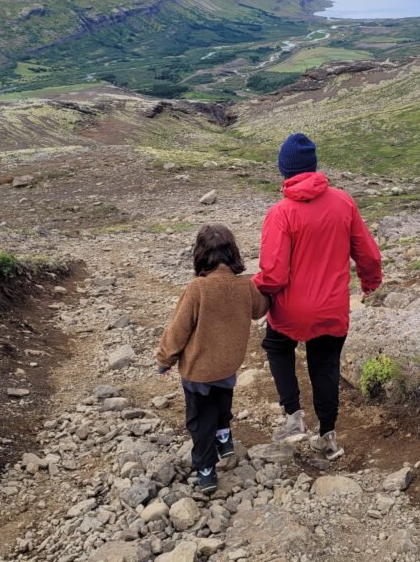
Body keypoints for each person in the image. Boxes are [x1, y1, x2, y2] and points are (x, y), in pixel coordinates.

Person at [254, 133, 382, 461]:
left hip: (291, 310)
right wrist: (370, 283)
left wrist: (257, 289)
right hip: (332, 307)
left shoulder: (280, 213)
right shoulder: (344, 202)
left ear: (284, 170)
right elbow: (367, 253)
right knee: (325, 366)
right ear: (314, 166)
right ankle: (328, 438)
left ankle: (294, 416)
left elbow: (274, 274)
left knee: (277, 345)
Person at [156, 224, 269, 493]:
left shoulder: (198, 288)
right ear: (233, 254)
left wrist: (165, 359)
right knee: (222, 401)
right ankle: (224, 437)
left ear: (201, 254)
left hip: (198, 371)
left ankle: (206, 470)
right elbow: (260, 309)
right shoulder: (245, 286)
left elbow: (178, 329)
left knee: (198, 420)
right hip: (228, 365)